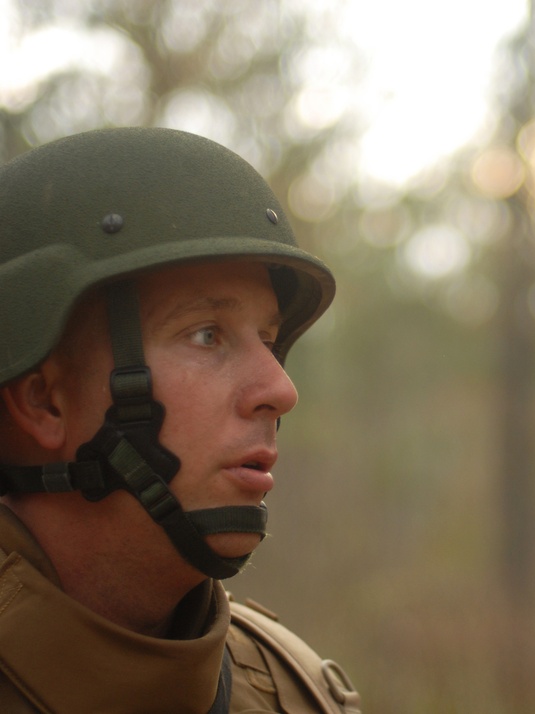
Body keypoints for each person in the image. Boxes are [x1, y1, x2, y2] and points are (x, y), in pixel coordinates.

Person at [0, 127, 361, 713]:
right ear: (45, 400)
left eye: (268, 340)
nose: (279, 389)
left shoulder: (298, 694)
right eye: (206, 334)